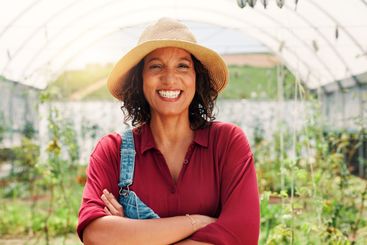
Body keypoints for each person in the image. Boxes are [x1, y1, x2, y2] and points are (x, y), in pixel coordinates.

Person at [77, 18, 260, 245]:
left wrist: (132, 235)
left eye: (182, 66)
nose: (170, 78)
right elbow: (96, 235)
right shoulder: (112, 151)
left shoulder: (227, 142)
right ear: (140, 78)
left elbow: (242, 236)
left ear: (197, 77)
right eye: (156, 66)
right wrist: (197, 222)